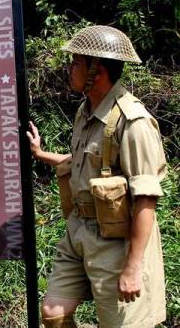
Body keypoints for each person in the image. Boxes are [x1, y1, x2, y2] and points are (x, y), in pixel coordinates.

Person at [26, 25, 167, 328]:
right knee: (53, 313)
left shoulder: (133, 122)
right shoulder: (86, 111)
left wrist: (132, 266)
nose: (69, 69)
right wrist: (41, 154)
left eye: (76, 63)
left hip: (117, 243)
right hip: (79, 231)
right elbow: (85, 161)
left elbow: (146, 199)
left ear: (97, 71)